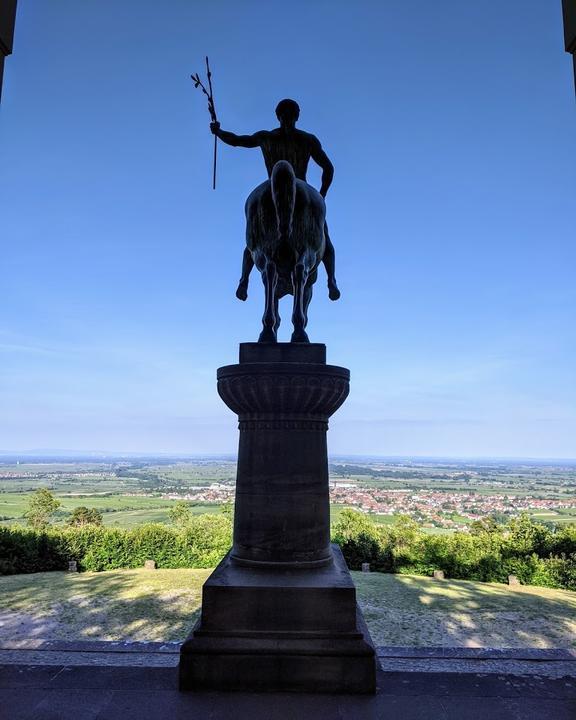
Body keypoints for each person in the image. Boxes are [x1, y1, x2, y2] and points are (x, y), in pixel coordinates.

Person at [210, 98, 340, 301]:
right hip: (303, 191)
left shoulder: (266, 137)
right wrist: (321, 197)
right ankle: (331, 281)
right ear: (297, 116)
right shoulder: (308, 140)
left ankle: (243, 280)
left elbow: (237, 141)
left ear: (278, 116)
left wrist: (218, 132)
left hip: (271, 192)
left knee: (254, 242)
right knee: (325, 239)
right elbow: (328, 169)